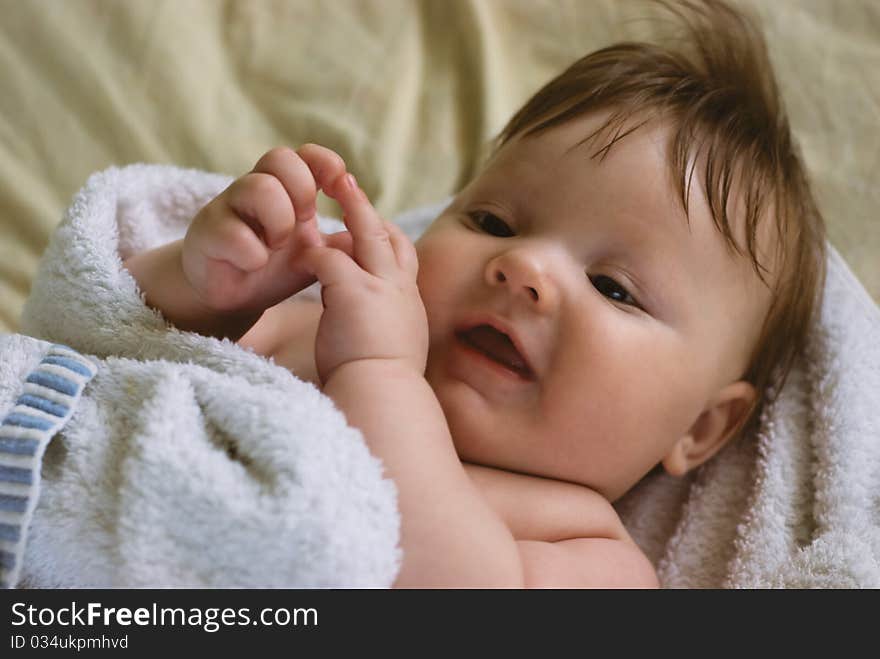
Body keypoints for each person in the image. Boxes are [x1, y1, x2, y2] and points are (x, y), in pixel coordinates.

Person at [122, 0, 825, 587]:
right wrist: (210, 282)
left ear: (700, 427)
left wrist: (381, 375)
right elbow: (125, 342)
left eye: (614, 287)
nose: (523, 267)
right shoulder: (311, 326)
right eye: (492, 222)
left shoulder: (587, 553)